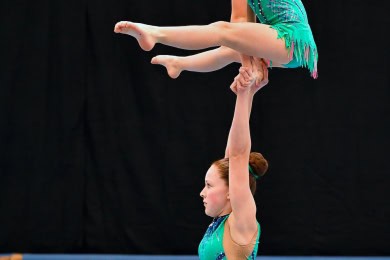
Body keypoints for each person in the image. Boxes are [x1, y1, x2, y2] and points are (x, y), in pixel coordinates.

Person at [114, 0, 318, 79]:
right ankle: (180, 63)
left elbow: (236, 29)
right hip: (285, 44)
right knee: (227, 50)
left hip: (294, 39)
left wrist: (249, 66)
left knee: (222, 31)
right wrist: (248, 65)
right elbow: (240, 20)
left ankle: (155, 34)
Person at [198, 65, 269, 259]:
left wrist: (242, 94)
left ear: (231, 191)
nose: (202, 192)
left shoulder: (240, 222)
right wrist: (250, 93)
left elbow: (238, 156)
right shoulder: (222, 221)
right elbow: (232, 158)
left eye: (209, 185)